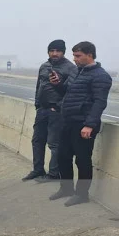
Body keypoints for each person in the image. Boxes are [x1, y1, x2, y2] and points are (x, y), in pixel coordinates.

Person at [48, 41, 112, 206]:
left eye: (78, 56)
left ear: (89, 55)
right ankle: (66, 188)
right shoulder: (76, 72)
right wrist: (57, 85)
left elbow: (99, 103)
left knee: (82, 160)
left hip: (83, 124)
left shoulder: (101, 76)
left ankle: (82, 194)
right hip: (68, 121)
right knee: (63, 156)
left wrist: (89, 125)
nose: (74, 59)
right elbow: (67, 92)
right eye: (74, 55)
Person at [22, 40, 78, 182]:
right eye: (52, 50)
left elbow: (71, 92)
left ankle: (54, 174)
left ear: (63, 52)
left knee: (54, 144)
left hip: (57, 112)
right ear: (48, 52)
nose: (54, 53)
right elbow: (38, 87)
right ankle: (38, 169)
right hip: (42, 110)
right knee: (37, 140)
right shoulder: (44, 66)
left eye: (58, 51)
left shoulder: (70, 68)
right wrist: (37, 104)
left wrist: (58, 106)